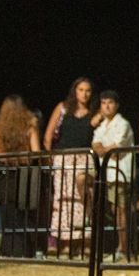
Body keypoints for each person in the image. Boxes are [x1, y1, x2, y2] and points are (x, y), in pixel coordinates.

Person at [45, 77, 97, 258]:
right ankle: (65, 244)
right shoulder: (63, 108)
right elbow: (48, 135)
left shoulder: (93, 112)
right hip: (63, 158)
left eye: (88, 90)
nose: (84, 94)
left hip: (84, 158)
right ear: (75, 91)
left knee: (83, 199)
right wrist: (51, 157)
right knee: (63, 199)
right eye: (81, 90)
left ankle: (84, 242)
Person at [0, 95, 41, 256]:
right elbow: (36, 153)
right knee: (24, 215)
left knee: (7, 215)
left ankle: (9, 251)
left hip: (3, 175)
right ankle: (25, 251)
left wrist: (5, 158)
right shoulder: (29, 128)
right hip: (24, 175)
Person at [91, 90, 135, 260]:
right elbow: (95, 145)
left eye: (110, 102)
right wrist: (105, 149)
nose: (107, 106)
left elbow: (116, 149)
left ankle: (123, 249)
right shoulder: (102, 125)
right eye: (103, 103)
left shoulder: (123, 123)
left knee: (120, 211)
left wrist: (104, 149)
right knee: (113, 211)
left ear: (116, 105)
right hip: (106, 173)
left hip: (119, 173)